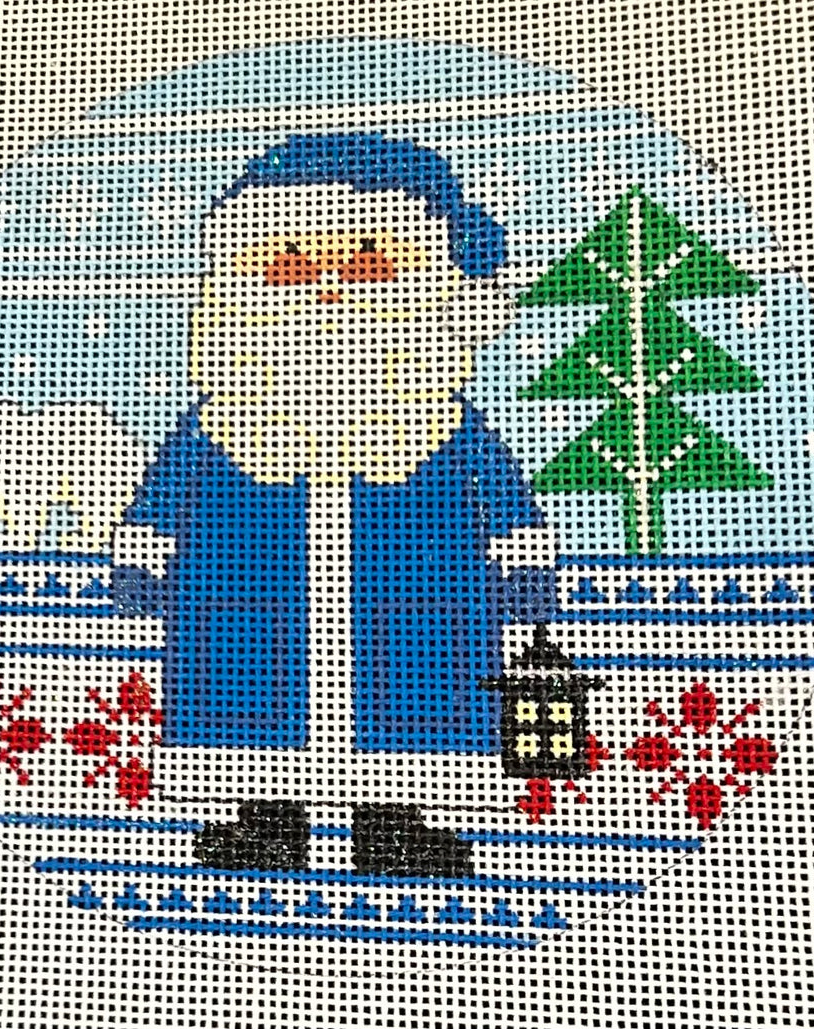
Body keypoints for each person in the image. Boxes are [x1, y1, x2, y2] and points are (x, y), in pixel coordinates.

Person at [112, 132, 548, 877]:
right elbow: (164, 492)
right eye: (287, 264)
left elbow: (502, 496)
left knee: (415, 697)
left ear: (446, 291)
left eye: (369, 263)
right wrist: (144, 551)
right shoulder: (222, 421)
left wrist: (522, 560)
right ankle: (265, 819)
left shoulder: (441, 422)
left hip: (413, 599)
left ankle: (397, 823)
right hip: (248, 596)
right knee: (247, 695)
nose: (328, 287)